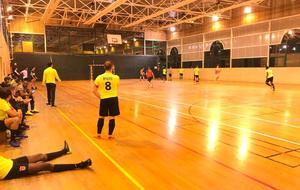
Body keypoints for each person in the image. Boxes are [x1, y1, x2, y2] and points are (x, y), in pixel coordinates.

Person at [0, 141, 92, 180]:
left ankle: (64, 151)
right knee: (45, 166)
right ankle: (79, 165)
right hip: (9, 171)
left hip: (10, 162)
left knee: (40, 156)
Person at [93, 61, 120, 139]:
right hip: (113, 98)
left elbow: (94, 90)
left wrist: (101, 97)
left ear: (104, 67)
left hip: (104, 99)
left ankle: (98, 134)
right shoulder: (116, 77)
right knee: (112, 117)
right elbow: (116, 86)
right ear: (112, 67)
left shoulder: (99, 77)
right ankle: (110, 135)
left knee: (101, 116)